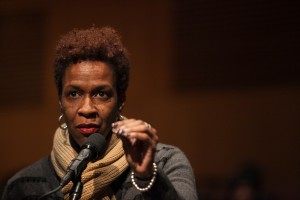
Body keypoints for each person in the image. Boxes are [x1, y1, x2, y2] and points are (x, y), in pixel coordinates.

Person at [1, 26, 198, 200]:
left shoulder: (165, 162)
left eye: (101, 94)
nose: (87, 109)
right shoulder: (24, 187)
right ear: (60, 100)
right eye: (74, 93)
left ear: (121, 101)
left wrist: (147, 177)